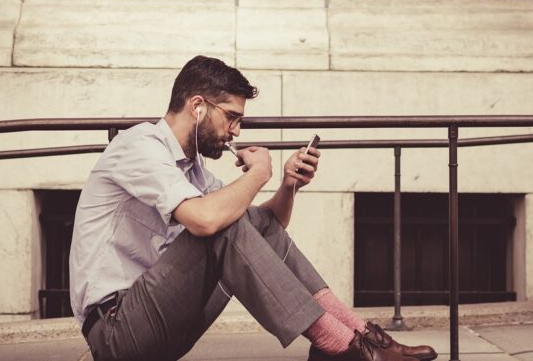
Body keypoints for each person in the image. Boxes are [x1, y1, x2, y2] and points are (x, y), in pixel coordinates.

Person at [69, 55, 437, 361]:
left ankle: (359, 337)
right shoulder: (139, 146)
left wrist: (288, 184)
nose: (236, 131)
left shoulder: (193, 169)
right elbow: (206, 220)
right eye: (231, 116)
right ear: (197, 106)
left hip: (162, 323)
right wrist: (259, 172)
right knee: (220, 222)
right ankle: (340, 346)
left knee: (237, 218)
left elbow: (264, 226)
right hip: (117, 331)